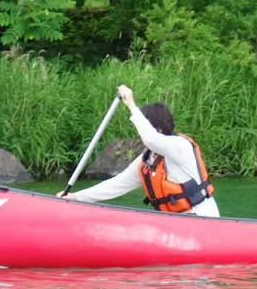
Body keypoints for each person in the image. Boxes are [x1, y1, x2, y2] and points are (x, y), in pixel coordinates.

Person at [58, 85, 220, 217]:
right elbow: (116, 185)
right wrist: (76, 197)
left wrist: (130, 104)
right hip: (173, 225)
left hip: (201, 219)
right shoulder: (147, 161)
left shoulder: (180, 146)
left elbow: (151, 139)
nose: (140, 134)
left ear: (159, 128)